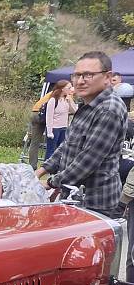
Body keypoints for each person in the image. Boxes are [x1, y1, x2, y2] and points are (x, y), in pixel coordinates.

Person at [35, 51, 127, 217]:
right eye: (76, 75)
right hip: (75, 196)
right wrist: (42, 170)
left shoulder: (109, 109)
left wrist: (51, 182)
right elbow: (68, 145)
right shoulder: (87, 105)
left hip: (96, 202)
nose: (80, 81)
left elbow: (88, 160)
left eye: (88, 75)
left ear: (107, 77)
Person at [44, 79, 77, 161]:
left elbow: (74, 111)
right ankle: (47, 168)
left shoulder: (66, 99)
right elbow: (49, 117)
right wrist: (49, 131)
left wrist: (70, 101)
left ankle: (57, 167)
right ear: (62, 89)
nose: (70, 90)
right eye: (68, 88)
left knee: (60, 149)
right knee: (51, 149)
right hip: (55, 128)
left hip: (64, 127)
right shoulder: (53, 100)